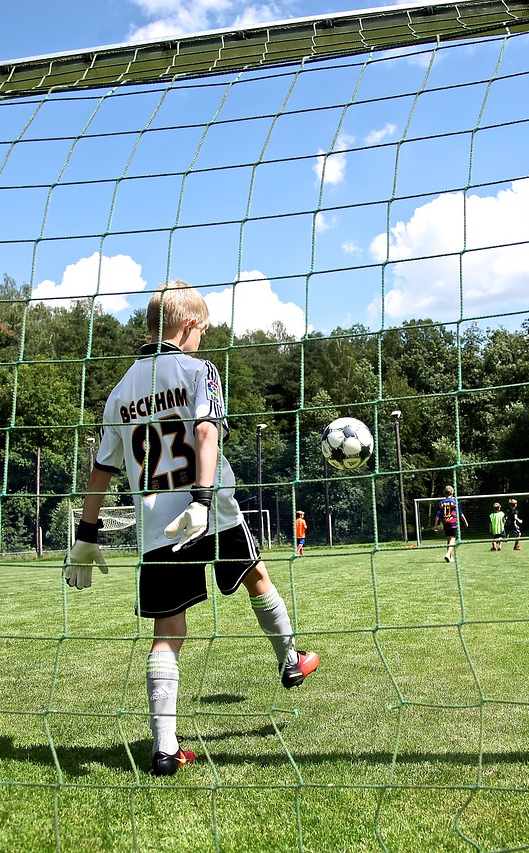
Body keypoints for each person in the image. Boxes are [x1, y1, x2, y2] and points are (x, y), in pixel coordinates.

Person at [65, 280, 319, 778]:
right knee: (257, 577)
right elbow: (206, 432)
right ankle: (290, 660)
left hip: (159, 526)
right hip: (213, 509)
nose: (203, 337)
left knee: (168, 631)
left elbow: (102, 471)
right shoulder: (200, 369)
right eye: (202, 329)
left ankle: (164, 748)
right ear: (188, 326)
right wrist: (202, 499)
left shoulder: (119, 393)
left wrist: (86, 536)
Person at [436, 485, 465, 562]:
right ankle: (448, 554)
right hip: (453, 522)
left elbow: (437, 515)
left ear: (444, 493)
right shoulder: (455, 501)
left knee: (449, 540)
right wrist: (465, 522)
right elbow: (461, 514)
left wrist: (436, 525)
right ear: (452, 492)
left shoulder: (441, 503)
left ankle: (450, 557)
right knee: (453, 538)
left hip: (445, 522)